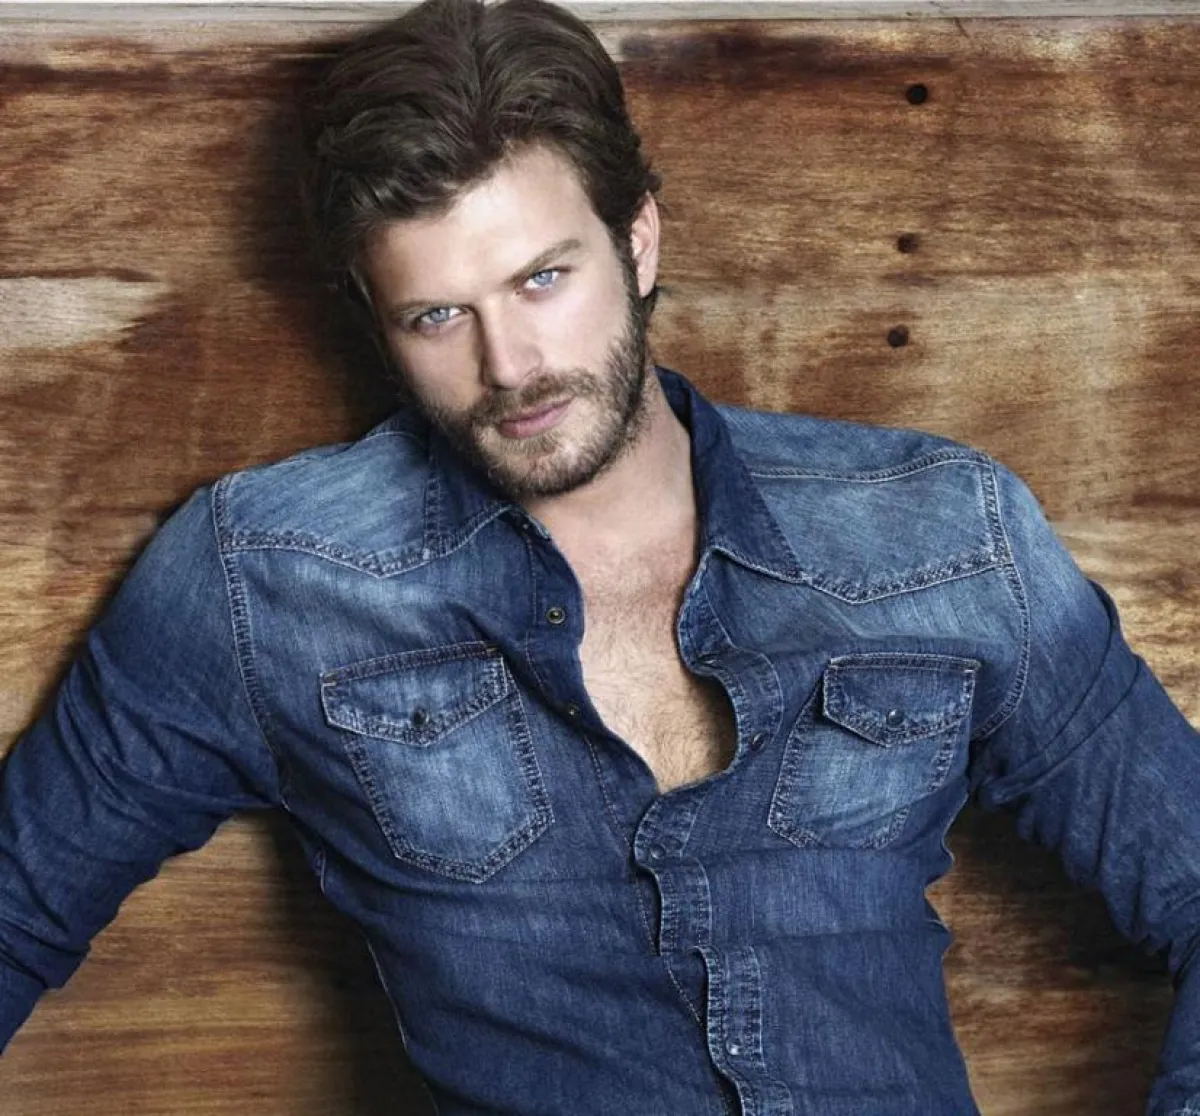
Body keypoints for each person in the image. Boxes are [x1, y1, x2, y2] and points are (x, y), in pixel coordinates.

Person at [1, 0, 1197, 1112]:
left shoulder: (939, 533)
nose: (511, 366)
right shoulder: (266, 578)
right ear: (378, 323)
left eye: (543, 279)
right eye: (438, 315)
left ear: (638, 242)